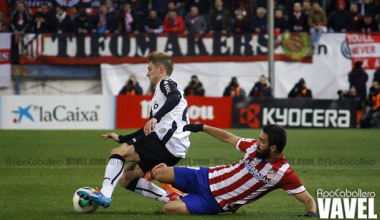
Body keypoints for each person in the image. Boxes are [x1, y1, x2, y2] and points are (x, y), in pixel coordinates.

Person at [78, 51, 190, 207]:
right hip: (173, 147)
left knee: (118, 153)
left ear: (161, 69)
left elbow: (175, 98)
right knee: (126, 178)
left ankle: (105, 194)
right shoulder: (160, 93)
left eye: (150, 68)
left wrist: (155, 117)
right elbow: (147, 130)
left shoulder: (166, 83)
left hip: (167, 141)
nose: (147, 73)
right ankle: (173, 199)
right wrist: (122, 138)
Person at [147, 123, 317, 216]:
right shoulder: (252, 147)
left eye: (262, 141)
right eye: (259, 139)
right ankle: (175, 190)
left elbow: (308, 200)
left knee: (168, 210)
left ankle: (177, 195)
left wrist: (310, 214)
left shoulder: (283, 173)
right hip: (206, 176)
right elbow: (228, 137)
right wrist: (202, 127)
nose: (257, 143)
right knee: (159, 173)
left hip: (215, 201)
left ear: (273, 148)